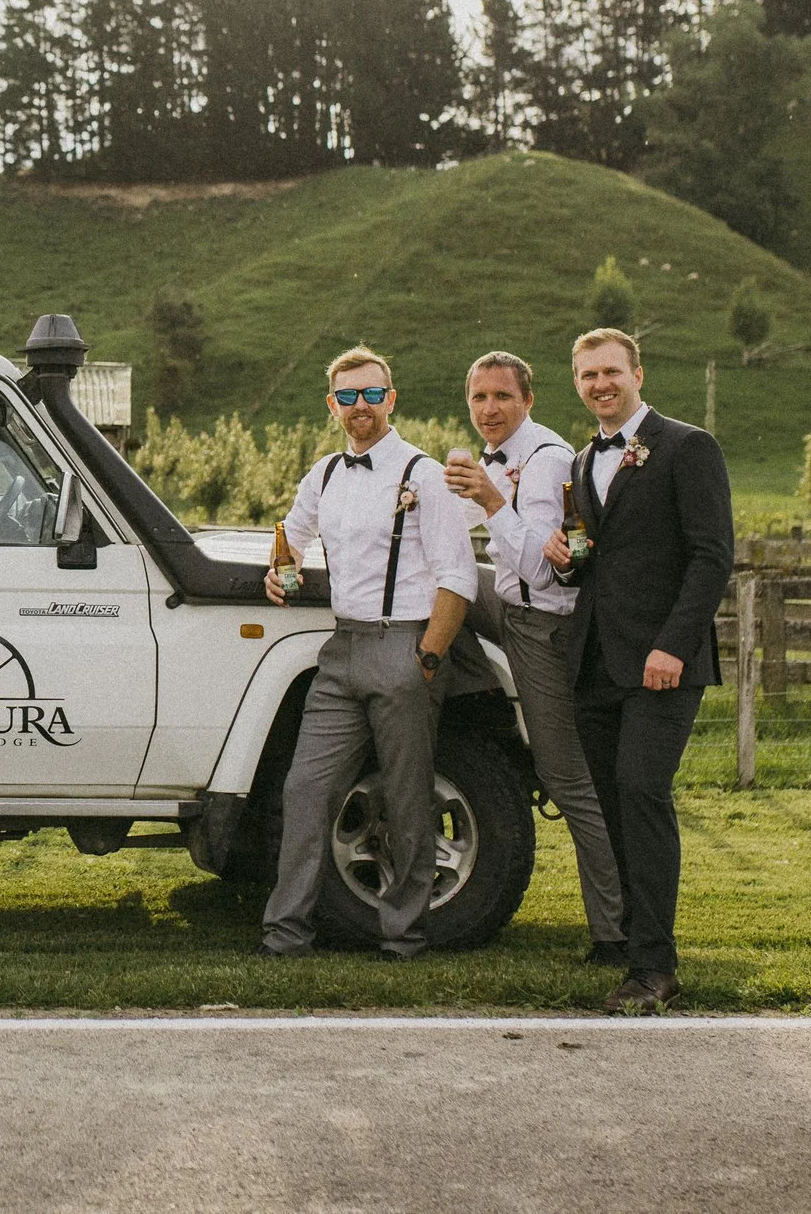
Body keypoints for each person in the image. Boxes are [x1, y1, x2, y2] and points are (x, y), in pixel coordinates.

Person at [257, 346, 476, 959]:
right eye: (348, 396)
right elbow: (290, 539)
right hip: (342, 649)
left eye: (372, 394)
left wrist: (426, 660)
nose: (361, 406)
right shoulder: (324, 474)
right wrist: (279, 573)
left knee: (406, 797)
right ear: (333, 405)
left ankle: (403, 935)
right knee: (305, 789)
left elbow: (457, 577)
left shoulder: (422, 475)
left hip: (405, 643)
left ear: (391, 399)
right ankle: (286, 934)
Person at [542, 328, 733, 1014]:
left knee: (641, 791)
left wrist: (673, 646)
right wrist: (569, 558)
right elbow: (603, 556)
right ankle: (633, 948)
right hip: (594, 661)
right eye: (589, 375)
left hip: (661, 662)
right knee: (614, 803)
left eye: (611, 372)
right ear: (579, 384)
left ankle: (656, 968)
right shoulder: (579, 460)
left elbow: (712, 556)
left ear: (638, 374)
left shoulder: (688, 447)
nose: (601, 384)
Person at [443, 350, 628, 965]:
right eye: (479, 398)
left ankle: (614, 930)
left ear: (528, 401)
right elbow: (453, 523)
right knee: (444, 579)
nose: (489, 410)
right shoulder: (499, 460)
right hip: (511, 607)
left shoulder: (547, 463)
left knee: (566, 777)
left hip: (545, 627)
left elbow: (545, 573)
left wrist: (494, 502)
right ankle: (470, 693)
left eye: (501, 397)